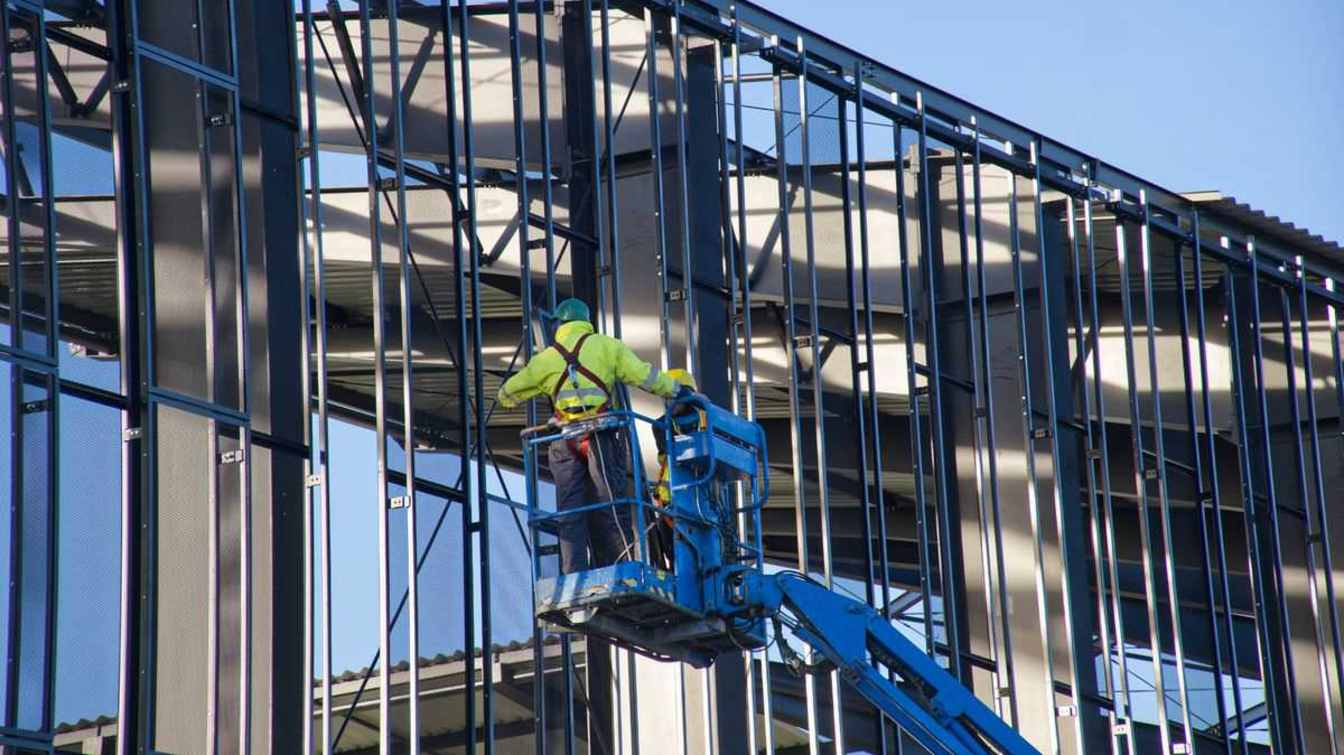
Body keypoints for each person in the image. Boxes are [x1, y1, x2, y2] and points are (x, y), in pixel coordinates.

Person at [498, 298, 689, 574]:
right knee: (611, 505)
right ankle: (620, 569)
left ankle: (573, 573)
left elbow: (507, 394)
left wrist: (540, 389)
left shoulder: (546, 359)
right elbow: (645, 377)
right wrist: (678, 391)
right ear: (585, 322)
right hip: (601, 435)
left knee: (569, 513)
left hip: (565, 441)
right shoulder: (607, 347)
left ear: (561, 324)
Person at [648, 368, 704, 572]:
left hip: (692, 504)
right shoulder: (664, 426)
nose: (669, 404)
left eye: (673, 397)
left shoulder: (703, 420)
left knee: (691, 560)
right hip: (670, 505)